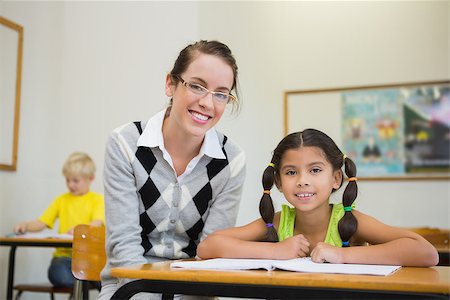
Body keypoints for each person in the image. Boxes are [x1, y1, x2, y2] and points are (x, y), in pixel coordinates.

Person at [99, 40, 246, 299]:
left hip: (194, 290)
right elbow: (125, 248)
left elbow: (210, 253)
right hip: (128, 288)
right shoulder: (125, 143)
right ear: (171, 84)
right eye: (197, 86)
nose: (208, 104)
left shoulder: (230, 161)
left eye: (221, 93)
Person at [198, 129, 439, 267]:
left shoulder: (350, 220)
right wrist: (277, 252)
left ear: (336, 179)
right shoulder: (277, 221)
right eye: (291, 172)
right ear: (279, 182)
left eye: (315, 170)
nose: (302, 180)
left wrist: (341, 255)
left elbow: (425, 252)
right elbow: (209, 246)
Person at [13, 152, 105, 287]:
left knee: (106, 277)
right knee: (58, 275)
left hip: (89, 257)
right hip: (64, 257)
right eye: (67, 180)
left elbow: (97, 222)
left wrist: (80, 230)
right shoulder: (61, 200)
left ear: (90, 178)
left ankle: (86, 281)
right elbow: (42, 222)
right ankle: (85, 282)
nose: (70, 185)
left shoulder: (97, 200)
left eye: (75, 181)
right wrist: (25, 225)